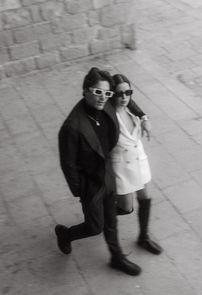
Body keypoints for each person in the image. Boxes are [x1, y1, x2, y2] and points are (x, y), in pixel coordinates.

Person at [55, 67, 150, 276]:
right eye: (97, 92)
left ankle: (117, 258)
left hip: (108, 173)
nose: (103, 98)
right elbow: (68, 164)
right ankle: (65, 234)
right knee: (94, 227)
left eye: (107, 93)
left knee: (111, 220)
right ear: (85, 90)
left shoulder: (107, 103)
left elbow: (128, 99)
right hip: (90, 182)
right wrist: (81, 190)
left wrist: (143, 116)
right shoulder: (72, 126)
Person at [110, 73, 163, 255]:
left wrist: (146, 119)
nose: (124, 97)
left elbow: (138, 109)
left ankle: (144, 237)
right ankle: (99, 215)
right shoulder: (108, 115)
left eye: (128, 92)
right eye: (119, 94)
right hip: (121, 166)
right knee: (125, 208)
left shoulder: (130, 106)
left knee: (145, 198)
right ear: (112, 94)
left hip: (139, 160)